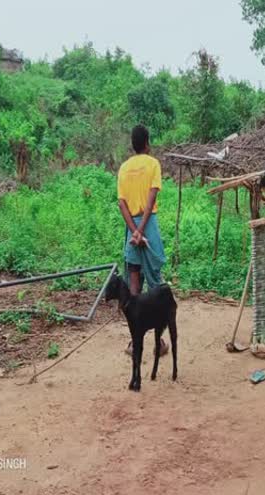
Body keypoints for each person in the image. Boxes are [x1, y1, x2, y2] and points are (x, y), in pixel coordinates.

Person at [117, 124, 168, 355]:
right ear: (147, 143)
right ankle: (158, 343)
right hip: (149, 226)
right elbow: (151, 198)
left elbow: (122, 204)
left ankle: (133, 342)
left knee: (134, 282)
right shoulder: (153, 164)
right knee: (156, 283)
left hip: (132, 229)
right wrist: (142, 230)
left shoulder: (124, 168)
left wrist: (133, 231)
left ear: (132, 144)